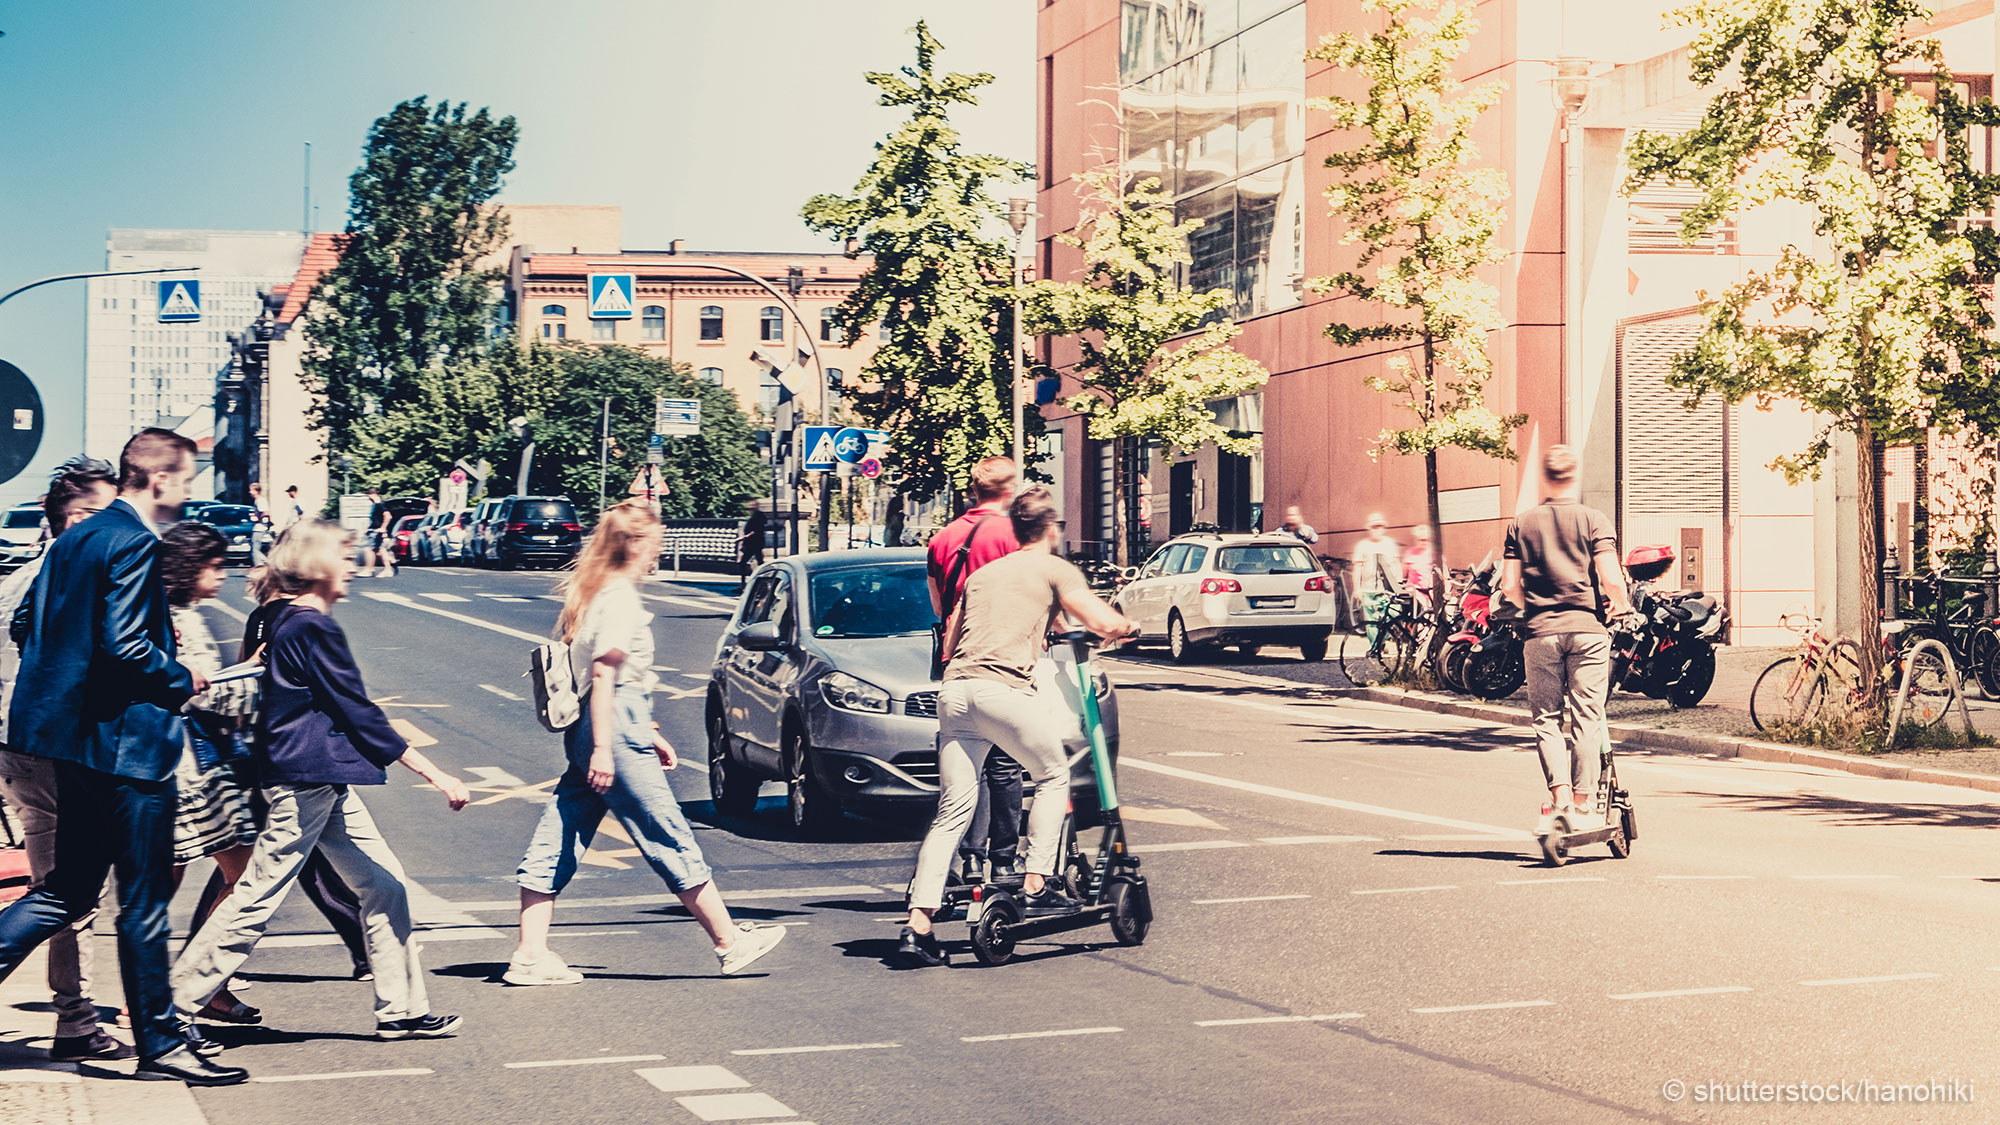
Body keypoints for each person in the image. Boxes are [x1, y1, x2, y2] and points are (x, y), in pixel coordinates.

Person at [0, 428, 244, 1085]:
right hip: (128, 748)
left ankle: (163, 1043)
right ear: (159, 479)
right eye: (186, 480)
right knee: (143, 903)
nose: (188, 493)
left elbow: (28, 625)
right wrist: (180, 678)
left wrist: (67, 684)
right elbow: (127, 647)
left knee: (68, 890)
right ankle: (162, 1048)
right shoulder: (135, 540)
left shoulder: (75, 537)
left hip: (67, 745)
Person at [171, 519, 471, 1041]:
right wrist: (435, 773)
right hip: (303, 781)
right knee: (257, 896)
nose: (352, 565)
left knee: (384, 884)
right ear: (317, 566)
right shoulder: (313, 627)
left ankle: (401, 1011)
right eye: (344, 556)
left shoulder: (276, 617)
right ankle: (173, 1006)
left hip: (316, 779)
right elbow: (358, 711)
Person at [506, 501, 787, 985]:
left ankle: (530, 954)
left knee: (561, 832)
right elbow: (604, 673)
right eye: (656, 544)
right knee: (666, 831)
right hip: (612, 725)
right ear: (635, 544)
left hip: (603, 725)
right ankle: (729, 942)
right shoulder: (619, 598)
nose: (659, 553)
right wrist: (607, 747)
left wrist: (644, 733)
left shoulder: (597, 593)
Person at [899, 486, 1138, 968]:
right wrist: (1128, 627)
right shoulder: (1054, 567)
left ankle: (917, 926)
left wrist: (1034, 625)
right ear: (1052, 528)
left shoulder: (983, 575)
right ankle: (1037, 881)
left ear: (1014, 529)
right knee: (1052, 775)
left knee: (952, 810)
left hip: (955, 692)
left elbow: (951, 638)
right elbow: (1100, 621)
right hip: (1001, 691)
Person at [0, 457, 126, 1063]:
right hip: (49, 752)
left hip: (13, 749)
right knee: (68, 892)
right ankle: (76, 1021)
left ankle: (76, 1019)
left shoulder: (14, 579)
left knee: (60, 888)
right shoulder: (75, 581)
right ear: (78, 520)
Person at [192, 567, 375, 982]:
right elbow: (255, 679)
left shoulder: (264, 617)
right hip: (279, 754)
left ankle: (362, 946)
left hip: (261, 751)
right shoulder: (283, 619)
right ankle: (199, 965)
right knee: (258, 869)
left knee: (274, 861)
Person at [159, 523, 261, 1025]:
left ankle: (201, 986)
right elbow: (201, 691)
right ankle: (179, 993)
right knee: (238, 874)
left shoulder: (181, 614)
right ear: (186, 570)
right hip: (184, 769)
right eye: (214, 566)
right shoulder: (176, 619)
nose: (221, 575)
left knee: (234, 871)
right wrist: (256, 675)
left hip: (197, 768)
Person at [1500, 445, 1632, 833]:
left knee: (1546, 719)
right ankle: (1583, 805)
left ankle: (1558, 803)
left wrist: (1533, 608)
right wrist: (1619, 604)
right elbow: (1610, 576)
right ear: (1574, 477)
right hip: (1588, 631)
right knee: (1587, 717)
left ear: (1546, 478)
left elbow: (1509, 585)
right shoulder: (1594, 519)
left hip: (1540, 634)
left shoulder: (1521, 523)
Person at [926, 456, 1026, 881]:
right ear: (1010, 490)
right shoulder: (1016, 534)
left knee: (968, 766)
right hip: (1003, 658)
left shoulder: (942, 538)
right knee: (1006, 763)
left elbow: (937, 605)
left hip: (956, 659)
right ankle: (1004, 861)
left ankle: (969, 857)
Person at [1350, 514, 1403, 654]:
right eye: (1374, 526)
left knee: (1393, 614)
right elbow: (1358, 568)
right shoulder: (1362, 545)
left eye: (1379, 526)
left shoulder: (1389, 544)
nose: (1376, 529)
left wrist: (1400, 584)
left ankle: (1382, 640)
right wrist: (1357, 588)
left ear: (1383, 528)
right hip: (1368, 589)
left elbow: (1397, 565)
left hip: (1388, 589)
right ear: (1369, 528)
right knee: (1371, 621)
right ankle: (1375, 648)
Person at [734, 500, 767, 593]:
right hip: (753, 543)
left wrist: (744, 537)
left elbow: (756, 530)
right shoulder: (756, 516)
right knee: (759, 562)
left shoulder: (759, 516)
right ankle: (761, 583)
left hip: (755, 543)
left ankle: (747, 584)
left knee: (745, 563)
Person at [361, 488, 394, 578]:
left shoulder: (379, 505)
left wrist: (383, 528)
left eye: (368, 496)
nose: (368, 498)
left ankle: (369, 569)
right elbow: (377, 520)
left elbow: (388, 516)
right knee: (380, 550)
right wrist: (368, 529)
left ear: (373, 495)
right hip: (374, 530)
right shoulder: (376, 506)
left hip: (376, 531)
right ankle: (388, 569)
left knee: (369, 549)